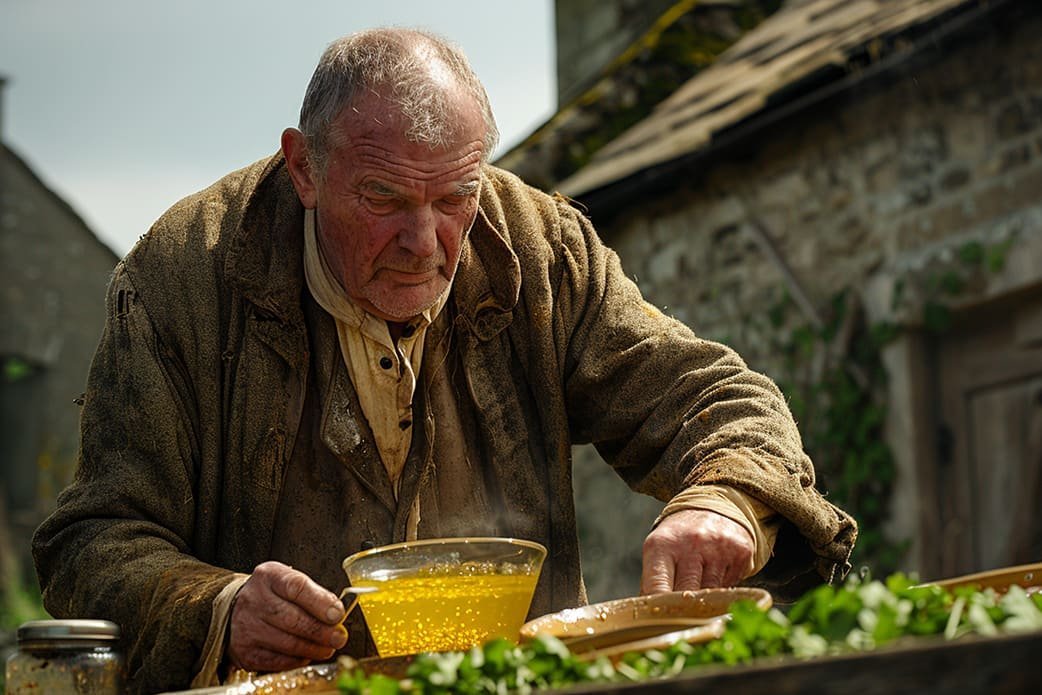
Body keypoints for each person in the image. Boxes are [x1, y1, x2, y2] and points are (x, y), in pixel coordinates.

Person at [33, 28, 856, 694]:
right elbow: (92, 544)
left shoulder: (540, 249)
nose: (424, 243)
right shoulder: (180, 278)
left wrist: (725, 499)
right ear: (304, 167)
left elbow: (721, 400)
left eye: (455, 196)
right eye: (384, 197)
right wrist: (219, 607)